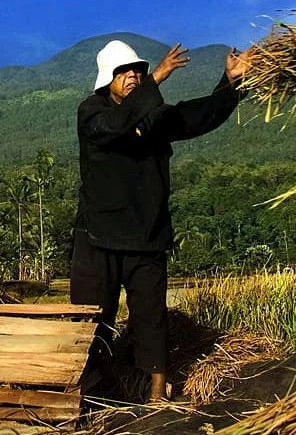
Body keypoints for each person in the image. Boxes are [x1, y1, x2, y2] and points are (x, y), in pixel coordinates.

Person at [71, 38, 250, 402]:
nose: (134, 77)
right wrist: (159, 76)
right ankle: (91, 396)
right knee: (91, 321)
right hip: (97, 237)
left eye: (138, 70)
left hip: (147, 237)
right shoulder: (92, 112)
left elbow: (196, 116)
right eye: (125, 72)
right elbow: (118, 125)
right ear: (109, 78)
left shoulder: (153, 117)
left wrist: (230, 83)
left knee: (152, 319)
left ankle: (156, 395)